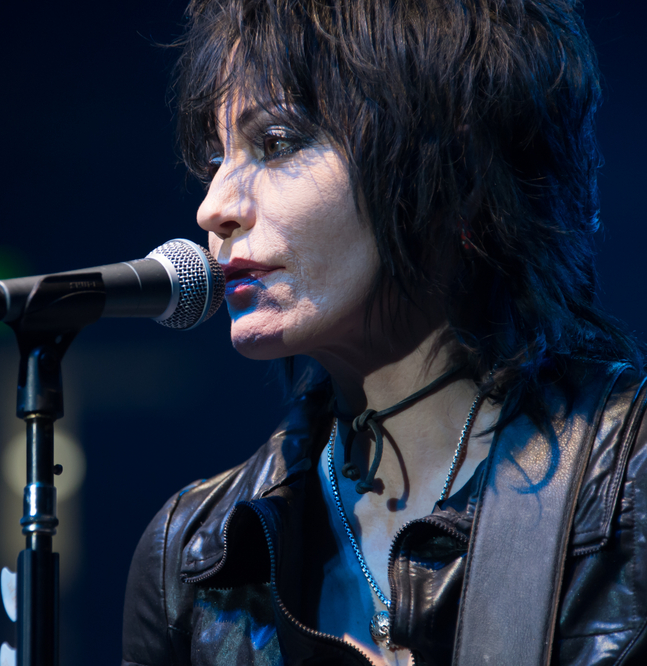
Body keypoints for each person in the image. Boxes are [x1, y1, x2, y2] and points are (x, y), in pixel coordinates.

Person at [120, 1, 646, 665]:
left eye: (277, 143)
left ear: (455, 165)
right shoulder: (196, 558)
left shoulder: (628, 484)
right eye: (216, 156)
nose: (214, 207)